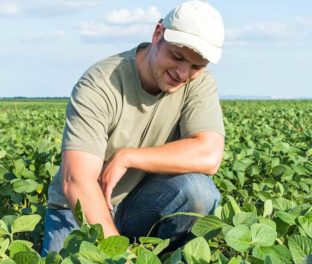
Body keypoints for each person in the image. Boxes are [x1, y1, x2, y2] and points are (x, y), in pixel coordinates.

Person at [42, 0, 225, 255]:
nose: (183, 73)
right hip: (79, 207)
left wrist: (128, 157)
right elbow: (77, 181)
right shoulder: (100, 83)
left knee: (198, 192)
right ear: (157, 34)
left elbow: (209, 155)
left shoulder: (198, 83)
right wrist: (118, 255)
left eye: (196, 66)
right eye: (177, 56)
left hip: (139, 204)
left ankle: (165, 257)